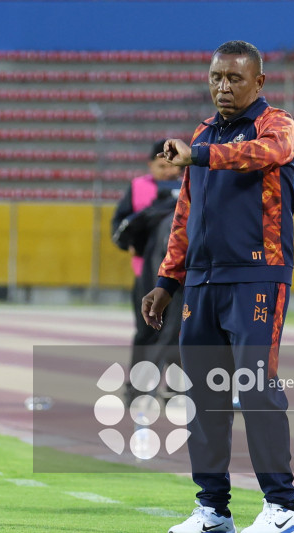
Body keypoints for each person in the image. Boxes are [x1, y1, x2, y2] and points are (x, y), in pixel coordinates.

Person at [141, 40, 294, 533]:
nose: (223, 86)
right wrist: (167, 280)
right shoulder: (203, 134)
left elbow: (263, 155)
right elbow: (185, 213)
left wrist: (199, 154)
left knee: (256, 390)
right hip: (202, 282)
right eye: (216, 77)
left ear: (259, 82)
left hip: (258, 274)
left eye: (234, 78)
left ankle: (283, 509)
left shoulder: (276, 125)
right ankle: (213, 510)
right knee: (203, 397)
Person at [111, 140, 182, 404]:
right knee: (145, 331)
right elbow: (119, 226)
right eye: (161, 166)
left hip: (178, 279)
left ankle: (176, 388)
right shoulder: (138, 187)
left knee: (179, 331)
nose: (167, 171)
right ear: (150, 164)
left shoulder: (189, 187)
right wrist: (130, 243)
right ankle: (137, 388)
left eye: (171, 165)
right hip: (144, 274)